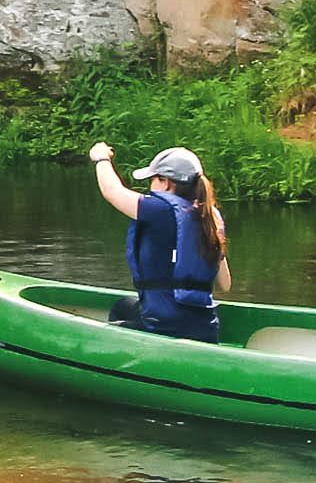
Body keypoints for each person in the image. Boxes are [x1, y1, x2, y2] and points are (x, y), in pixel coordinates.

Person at [87, 141, 232, 343]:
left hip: (164, 326)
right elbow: (225, 284)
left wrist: (101, 158)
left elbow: (112, 192)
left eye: (153, 179)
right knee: (124, 306)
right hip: (206, 329)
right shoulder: (210, 218)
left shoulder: (159, 210)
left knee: (119, 316)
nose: (150, 187)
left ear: (166, 182)